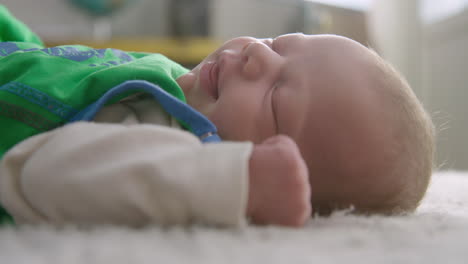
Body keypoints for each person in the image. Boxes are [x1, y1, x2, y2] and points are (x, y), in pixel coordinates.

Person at [0, 5, 434, 227]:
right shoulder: (176, 81)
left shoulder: (163, 143)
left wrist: (233, 181)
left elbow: (43, 173)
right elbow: (57, 67)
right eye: (277, 42)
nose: (256, 54)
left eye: (277, 100)